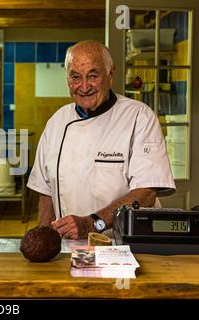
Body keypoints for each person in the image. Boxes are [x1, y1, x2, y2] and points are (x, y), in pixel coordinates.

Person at [27, 40, 175, 240]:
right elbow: (45, 191)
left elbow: (146, 193)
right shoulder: (57, 122)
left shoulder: (139, 117)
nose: (84, 86)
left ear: (110, 75)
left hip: (126, 243)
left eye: (93, 76)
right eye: (75, 77)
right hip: (72, 245)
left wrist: (92, 223)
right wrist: (44, 238)